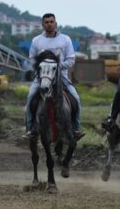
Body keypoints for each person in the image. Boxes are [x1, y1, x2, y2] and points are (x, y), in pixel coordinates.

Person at [24, 13, 83, 141]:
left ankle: (76, 128)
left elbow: (71, 59)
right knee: (30, 99)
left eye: (51, 22)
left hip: (61, 77)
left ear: (55, 23)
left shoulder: (65, 39)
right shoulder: (36, 40)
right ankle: (31, 129)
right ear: (42, 24)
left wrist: (58, 67)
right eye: (46, 22)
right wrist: (41, 69)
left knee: (76, 99)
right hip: (42, 78)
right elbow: (32, 59)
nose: (49, 24)